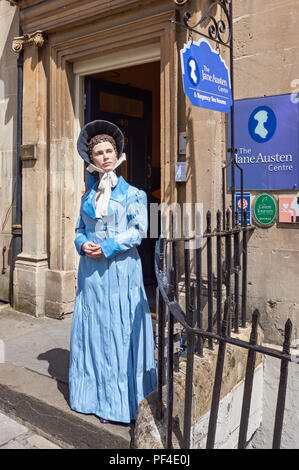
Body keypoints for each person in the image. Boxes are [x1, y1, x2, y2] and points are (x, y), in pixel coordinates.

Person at [69, 120, 157, 425]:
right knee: (94, 332)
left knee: (119, 334)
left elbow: (139, 231)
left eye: (109, 151)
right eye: (99, 152)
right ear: (91, 159)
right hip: (91, 275)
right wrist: (83, 245)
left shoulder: (135, 194)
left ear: (118, 154)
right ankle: (90, 398)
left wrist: (105, 247)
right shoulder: (86, 197)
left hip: (121, 272)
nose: (105, 156)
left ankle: (120, 405)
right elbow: (79, 229)